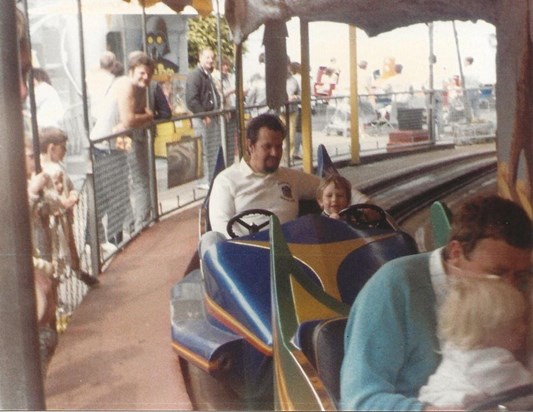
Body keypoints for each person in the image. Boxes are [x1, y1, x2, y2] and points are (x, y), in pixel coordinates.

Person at [340, 195, 533, 411]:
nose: (511, 286)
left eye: (522, 275)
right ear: (456, 253)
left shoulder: (521, 288)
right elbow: (358, 401)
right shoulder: (395, 286)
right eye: (497, 273)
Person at [208, 113, 369, 238]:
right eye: (267, 146)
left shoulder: (291, 177)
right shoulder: (226, 181)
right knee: (211, 238)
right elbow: (221, 227)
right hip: (244, 254)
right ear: (250, 146)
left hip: (288, 254)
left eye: (279, 146)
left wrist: (365, 203)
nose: (275, 153)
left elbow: (333, 186)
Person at [418, 275, 532, 408]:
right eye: (513, 328)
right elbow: (524, 396)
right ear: (484, 335)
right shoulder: (487, 360)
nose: (523, 330)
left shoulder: (457, 348)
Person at [90, 51, 155, 238]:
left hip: (113, 147)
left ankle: (108, 241)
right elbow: (128, 120)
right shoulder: (126, 85)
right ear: (132, 71)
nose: (146, 77)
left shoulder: (138, 88)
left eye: (149, 74)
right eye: (142, 73)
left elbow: (132, 119)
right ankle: (108, 242)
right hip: (103, 147)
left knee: (113, 197)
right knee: (113, 198)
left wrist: (138, 118)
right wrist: (148, 116)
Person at [39, 127, 99, 287]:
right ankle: (56, 299)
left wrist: (72, 194)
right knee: (56, 257)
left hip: (63, 218)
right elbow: (55, 199)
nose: (65, 151)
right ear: (52, 148)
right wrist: (69, 200)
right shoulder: (50, 170)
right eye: (63, 148)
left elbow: (69, 186)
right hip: (54, 221)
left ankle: (77, 270)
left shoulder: (57, 166)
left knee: (69, 247)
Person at [185, 47, 221, 189]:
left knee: (211, 148)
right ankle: (204, 180)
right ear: (200, 57)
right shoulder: (195, 75)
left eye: (212, 58)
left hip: (211, 117)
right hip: (202, 119)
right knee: (203, 148)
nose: (210, 60)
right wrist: (203, 115)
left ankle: (210, 177)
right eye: (207, 57)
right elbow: (192, 100)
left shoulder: (207, 75)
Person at [86, 51, 117, 124]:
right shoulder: (112, 79)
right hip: (108, 114)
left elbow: (90, 71)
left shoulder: (92, 77)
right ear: (113, 64)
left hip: (95, 114)